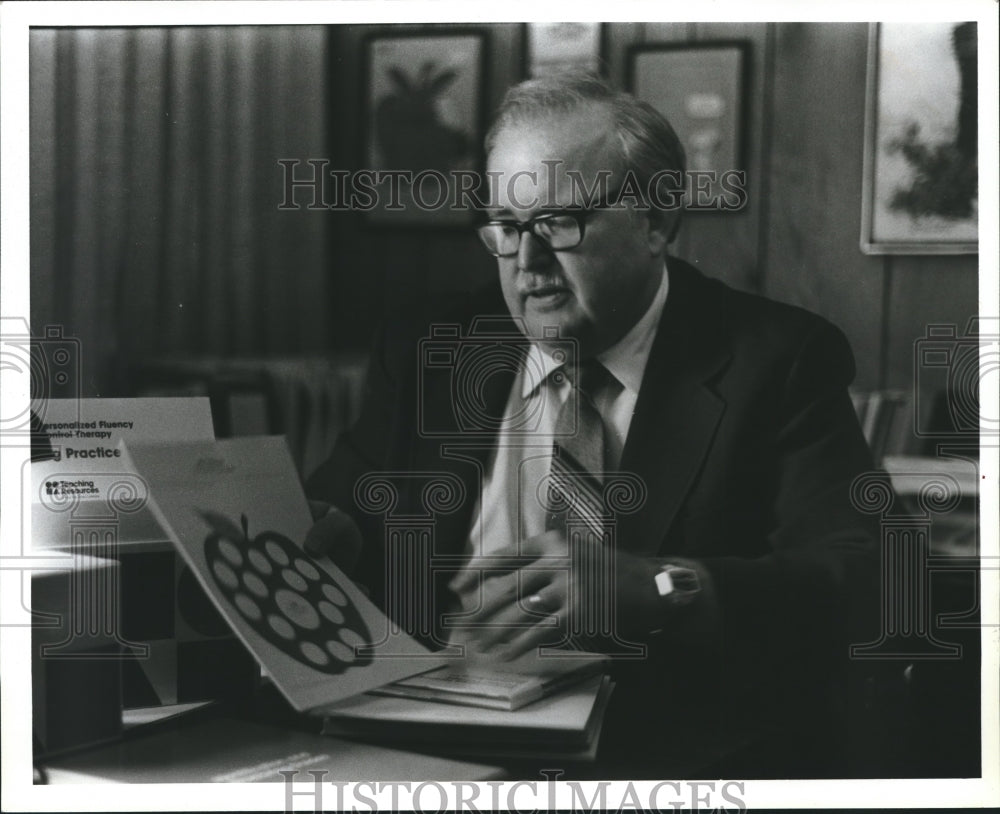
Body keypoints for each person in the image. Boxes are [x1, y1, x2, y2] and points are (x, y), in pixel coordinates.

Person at [305, 74, 881, 776]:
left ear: (656, 222)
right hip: (427, 750)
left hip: (667, 767)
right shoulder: (431, 348)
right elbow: (342, 519)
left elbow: (863, 579)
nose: (527, 263)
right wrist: (324, 534)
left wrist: (658, 589)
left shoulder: (777, 361)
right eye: (507, 227)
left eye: (558, 223)